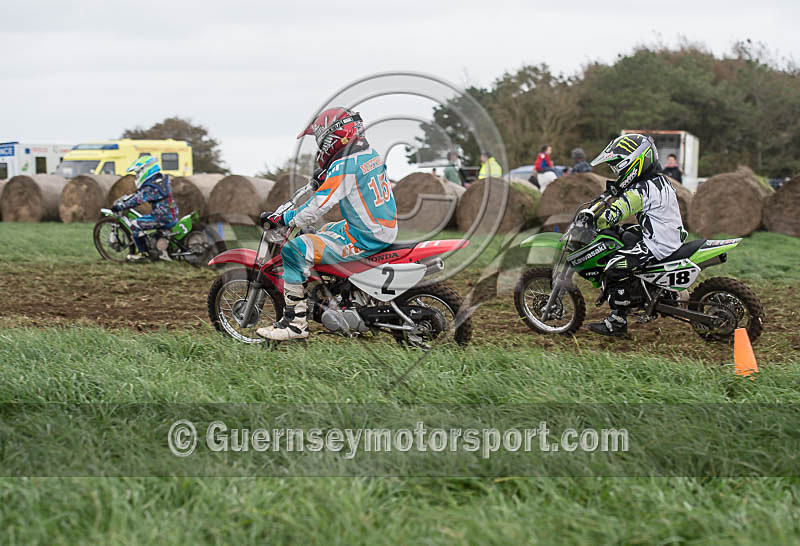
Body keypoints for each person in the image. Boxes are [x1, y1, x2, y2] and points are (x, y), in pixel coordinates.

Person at [256, 107, 398, 341]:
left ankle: (295, 324)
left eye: (321, 139)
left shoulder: (345, 165)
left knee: (294, 250)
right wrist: (326, 176)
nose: (320, 146)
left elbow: (318, 206)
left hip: (365, 236)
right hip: (379, 227)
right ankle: (345, 292)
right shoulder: (369, 154)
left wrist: (284, 218)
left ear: (333, 136)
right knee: (323, 231)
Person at [577, 133, 685, 337]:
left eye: (619, 166)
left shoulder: (640, 191)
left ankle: (617, 321)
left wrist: (592, 220)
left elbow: (613, 214)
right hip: (669, 235)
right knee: (624, 235)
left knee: (614, 266)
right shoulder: (660, 181)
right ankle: (654, 291)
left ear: (634, 162)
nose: (617, 171)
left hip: (659, 244)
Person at [111, 155, 179, 261]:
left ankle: (144, 254)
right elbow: (140, 194)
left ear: (145, 171)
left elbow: (137, 199)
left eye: (138, 173)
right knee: (151, 227)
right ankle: (161, 251)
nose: (137, 176)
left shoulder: (150, 187)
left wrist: (121, 206)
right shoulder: (162, 180)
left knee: (135, 224)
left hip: (162, 218)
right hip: (172, 214)